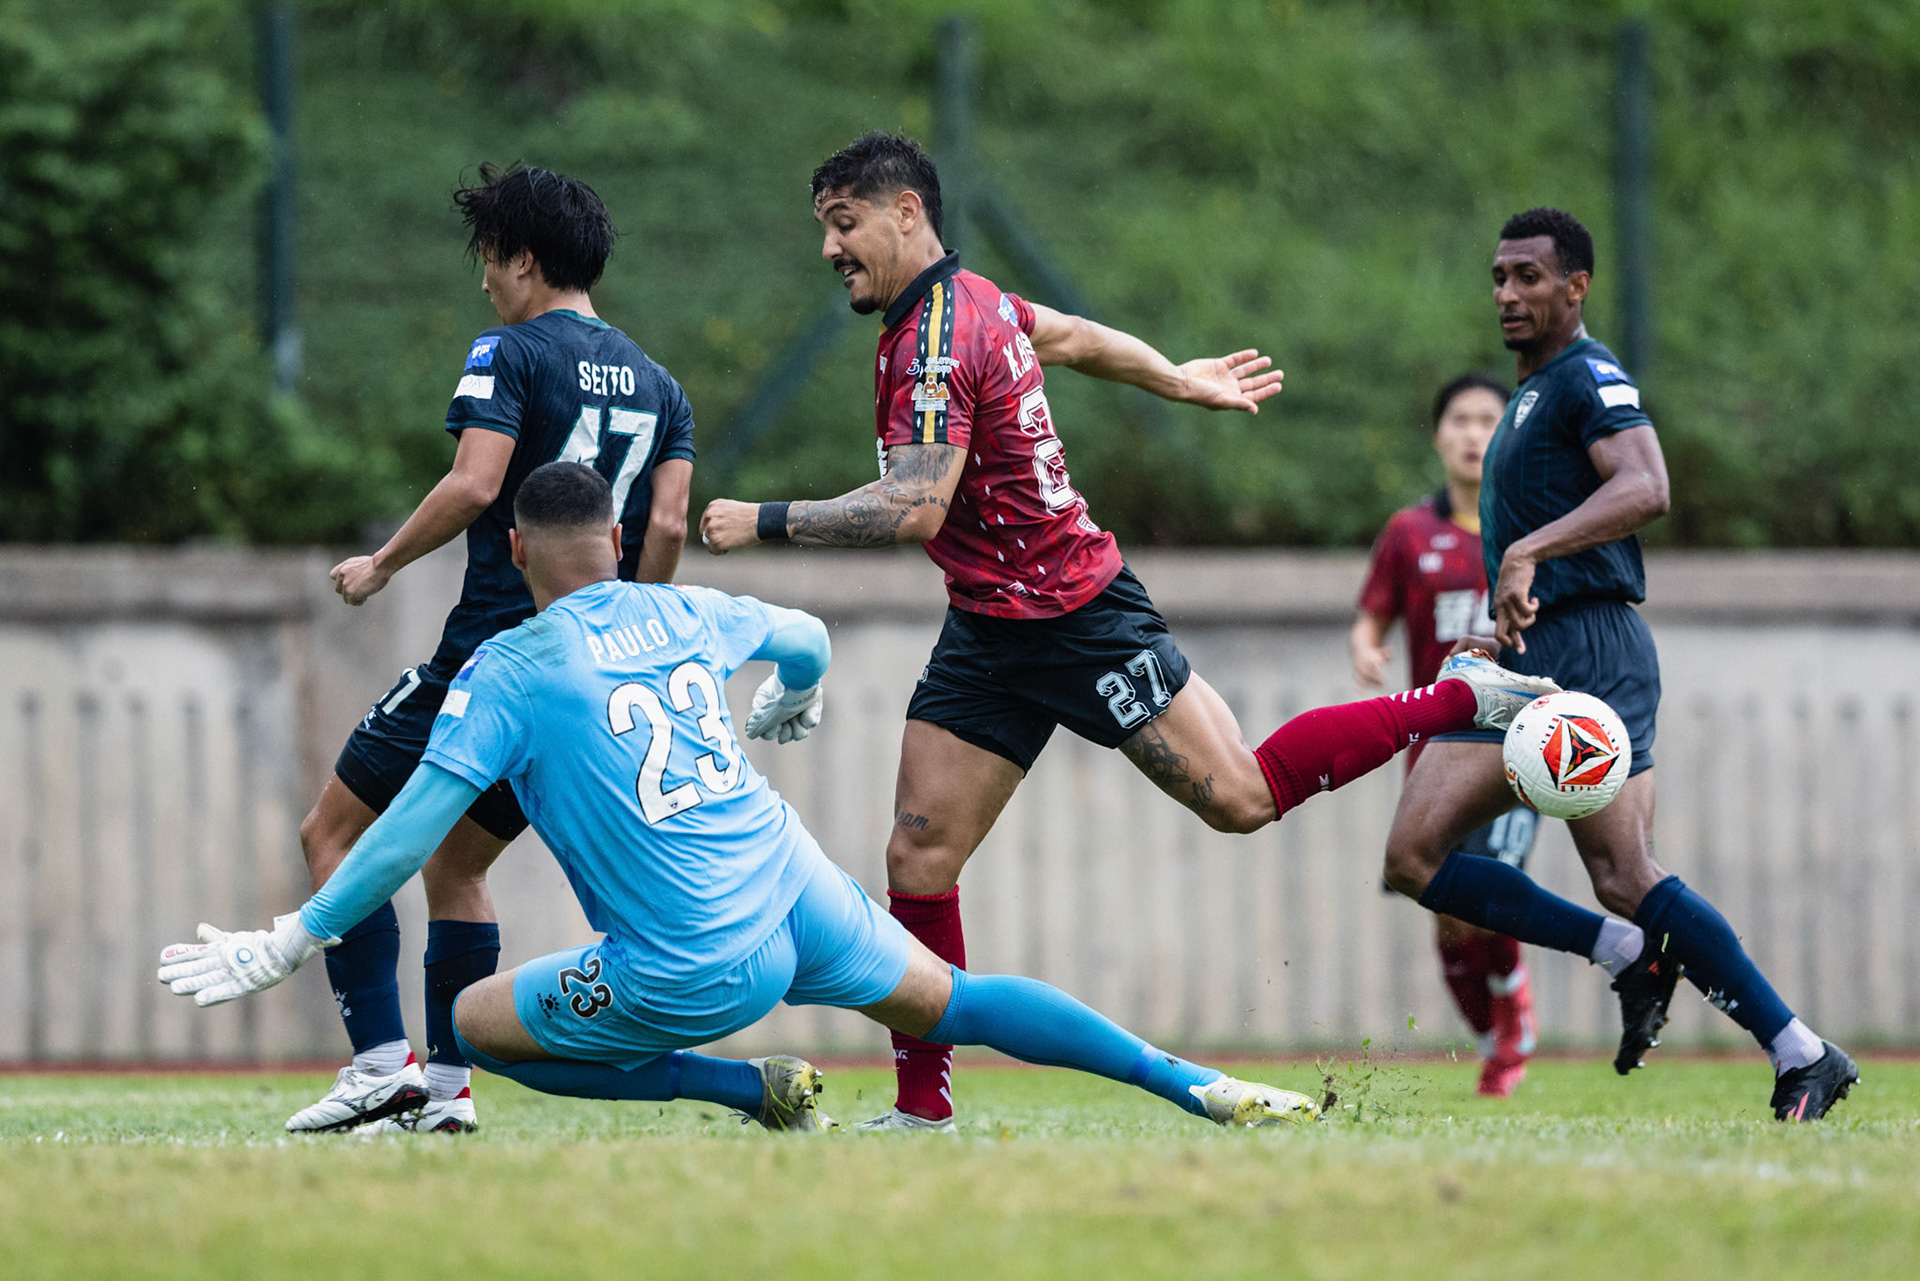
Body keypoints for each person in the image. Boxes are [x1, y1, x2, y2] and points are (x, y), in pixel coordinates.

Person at [697, 131, 1560, 1131]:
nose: (829, 249)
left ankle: (1461, 698)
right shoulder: (980, 305)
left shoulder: (937, 336)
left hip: (1077, 616)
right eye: (823, 229)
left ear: (905, 214)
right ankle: (922, 1109)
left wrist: (761, 520)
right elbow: (1073, 336)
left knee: (1241, 799)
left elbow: (914, 507)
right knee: (918, 860)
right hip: (989, 629)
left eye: (843, 224)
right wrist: (1178, 378)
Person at [158, 462, 1327, 1134]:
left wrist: (293, 937)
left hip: (691, 960)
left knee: (469, 1029)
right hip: (793, 885)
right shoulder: (684, 611)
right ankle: (1193, 1083)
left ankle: (739, 1091)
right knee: (954, 1001)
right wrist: (795, 700)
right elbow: (805, 631)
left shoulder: (508, 669)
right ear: (616, 540)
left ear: (515, 553)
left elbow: (410, 826)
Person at [1378, 207, 1857, 1121]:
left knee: (1618, 872)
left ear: (1577, 286)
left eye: (1528, 277)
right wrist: (1503, 606)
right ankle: (1635, 956)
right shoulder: (1531, 391)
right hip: (1533, 649)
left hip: (1591, 648)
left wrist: (1527, 557)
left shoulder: (1588, 375)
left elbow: (1648, 486)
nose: (1507, 294)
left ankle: (1799, 1049)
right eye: (1499, 277)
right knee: (1430, 857)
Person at [290, 164, 696, 1134]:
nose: (483, 281)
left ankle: (382, 1064)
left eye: (488, 259)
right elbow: (671, 523)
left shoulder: (510, 352)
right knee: (458, 869)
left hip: (489, 658)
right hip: (584, 673)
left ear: (523, 259)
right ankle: (446, 1093)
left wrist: (383, 564)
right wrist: (625, 624)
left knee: (332, 833)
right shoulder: (661, 383)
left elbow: (476, 485)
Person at [1353, 373, 1541, 1097]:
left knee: (1488, 889)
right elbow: (1373, 614)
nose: (1472, 433)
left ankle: (1513, 1000)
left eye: (1488, 419)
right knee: (1447, 917)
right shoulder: (1409, 532)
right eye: (1459, 419)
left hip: (1517, 743)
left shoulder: (1533, 529)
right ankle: (1497, 1034)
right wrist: (1366, 647)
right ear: (1438, 435)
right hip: (1435, 747)